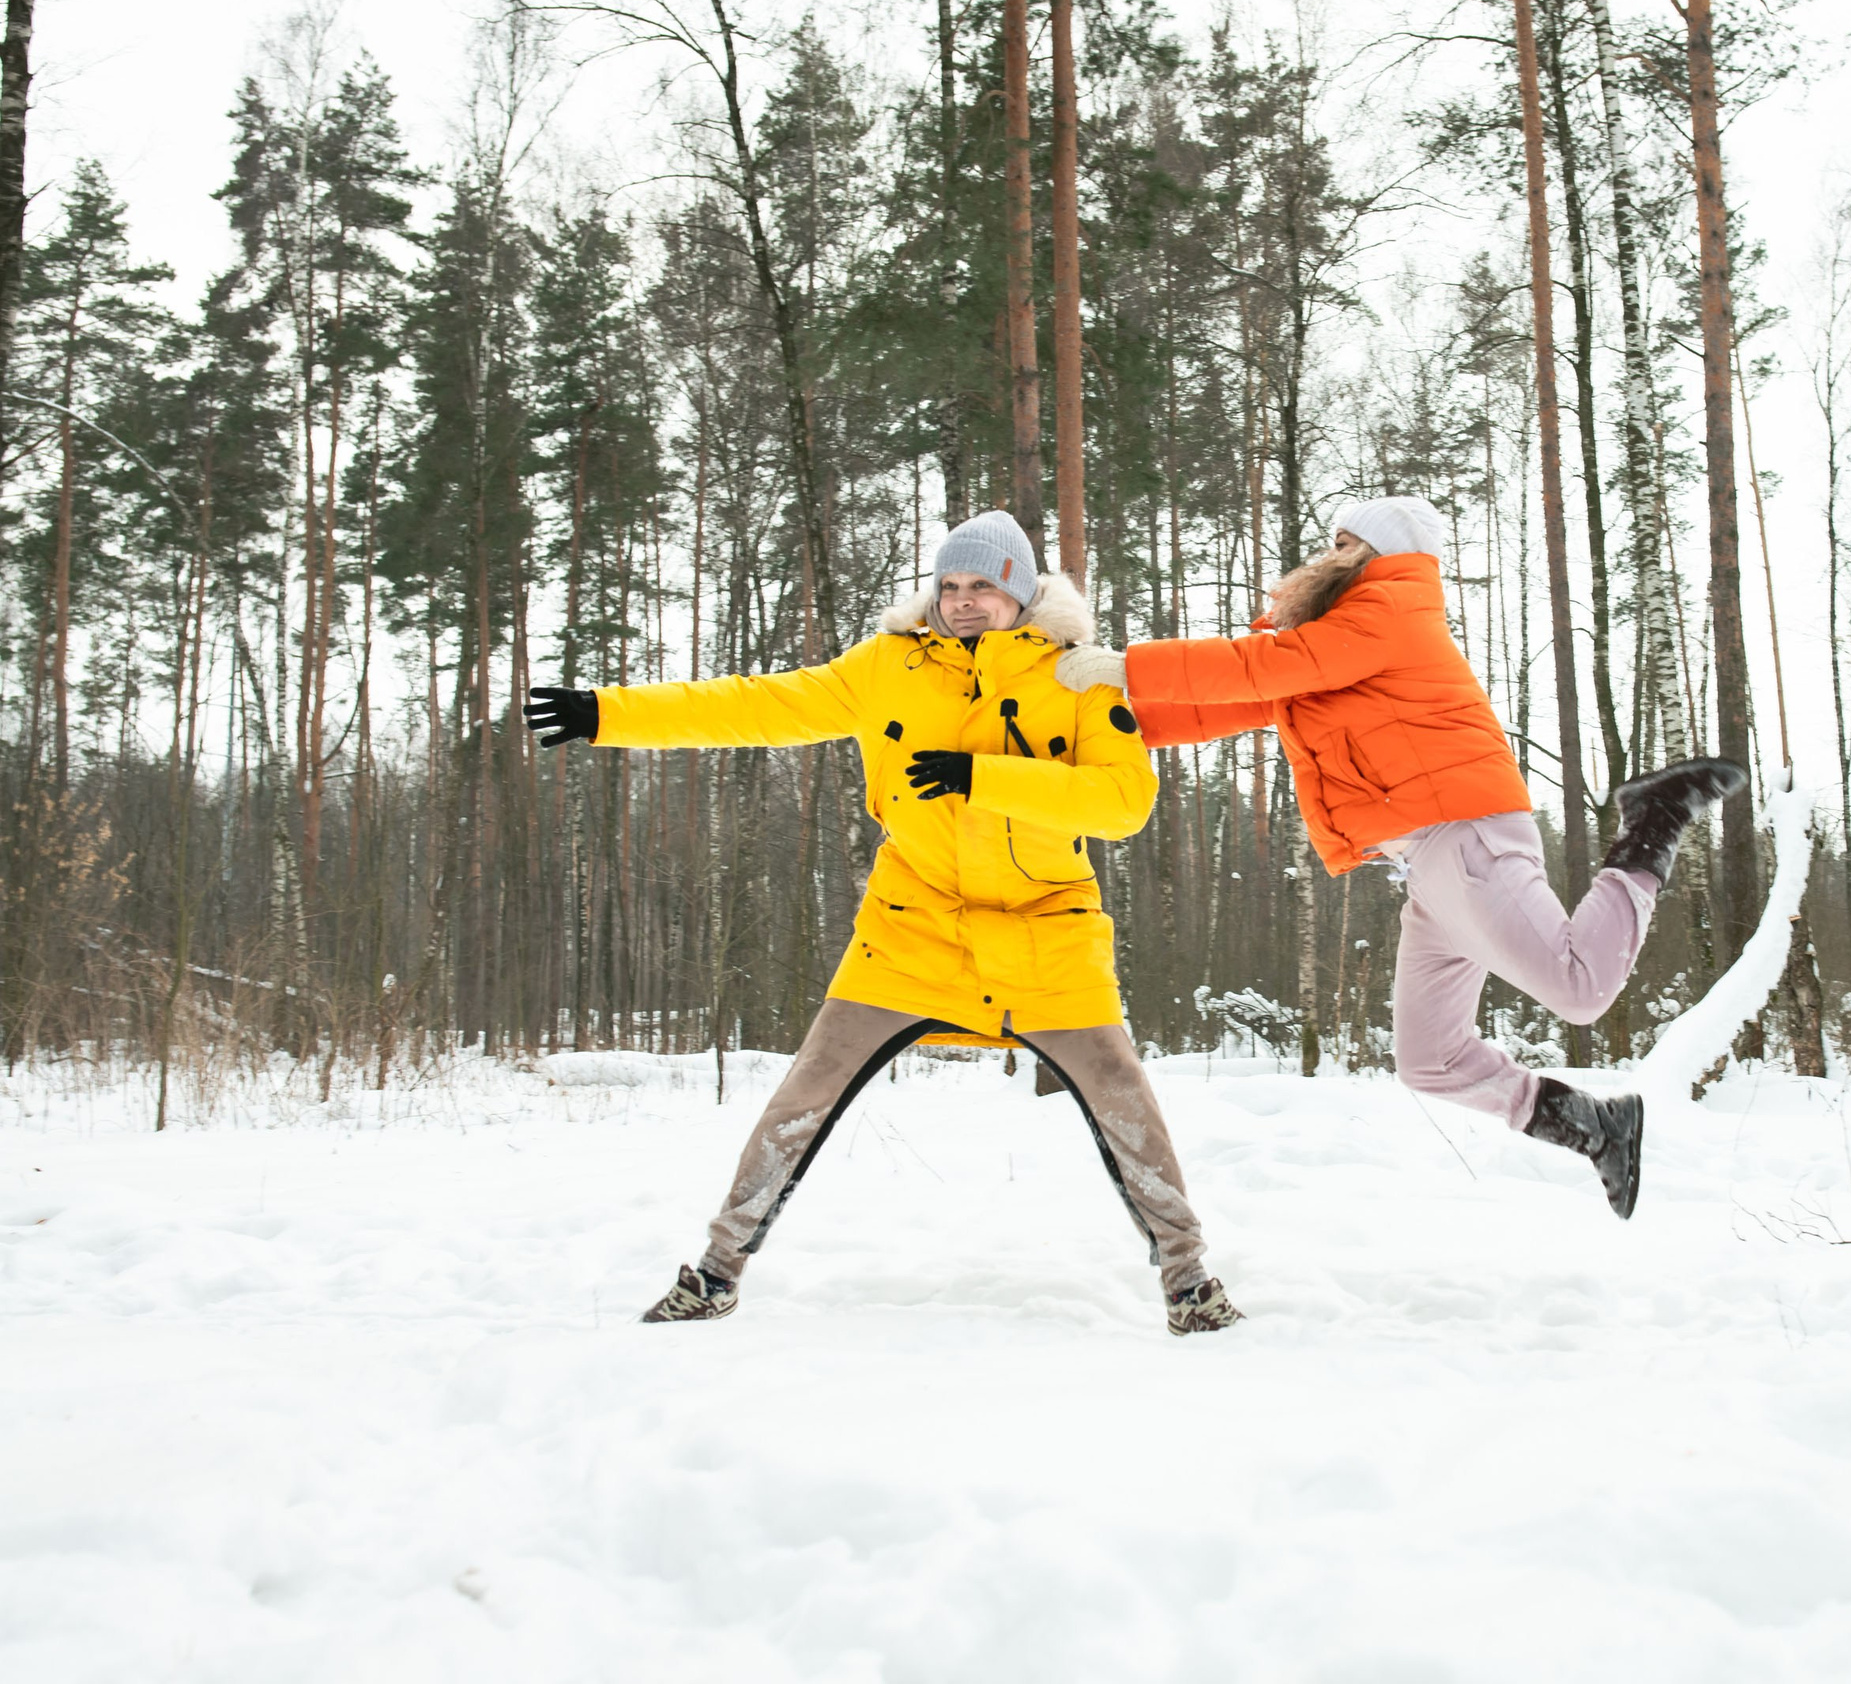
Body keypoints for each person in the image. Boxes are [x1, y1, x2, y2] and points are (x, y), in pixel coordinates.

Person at [524, 511, 1243, 1334]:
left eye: (983, 586)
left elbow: (1123, 804)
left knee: (1124, 1098)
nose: (964, 601)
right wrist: (606, 715)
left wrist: (984, 777)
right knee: (808, 1089)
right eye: (950, 586)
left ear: (1021, 590)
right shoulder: (886, 666)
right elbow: (757, 706)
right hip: (912, 926)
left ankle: (1188, 1284)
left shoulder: (1079, 674)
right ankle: (717, 1271)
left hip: (1047, 928)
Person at [1055, 496, 1742, 1220]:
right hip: (1431, 861)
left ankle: (1653, 821)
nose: (1332, 551)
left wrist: (1129, 665)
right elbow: (1235, 700)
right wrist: (1101, 719)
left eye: (1349, 541)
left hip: (1466, 833)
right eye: (1335, 538)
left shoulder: (1390, 610)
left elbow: (1261, 665)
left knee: (1579, 988)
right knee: (1432, 1058)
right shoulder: (1337, 630)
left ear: (1380, 553)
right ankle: (1594, 1126)